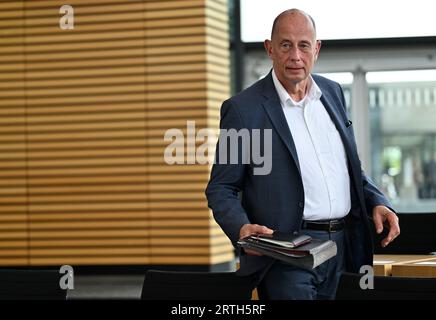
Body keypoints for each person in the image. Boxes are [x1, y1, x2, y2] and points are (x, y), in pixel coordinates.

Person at [205, 9, 400, 299]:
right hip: (287, 255)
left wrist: (376, 200)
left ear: (316, 49)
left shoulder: (333, 94)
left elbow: (348, 168)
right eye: (285, 45)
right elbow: (221, 187)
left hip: (346, 249)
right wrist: (242, 227)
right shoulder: (243, 110)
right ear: (269, 49)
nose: (295, 55)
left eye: (304, 45)